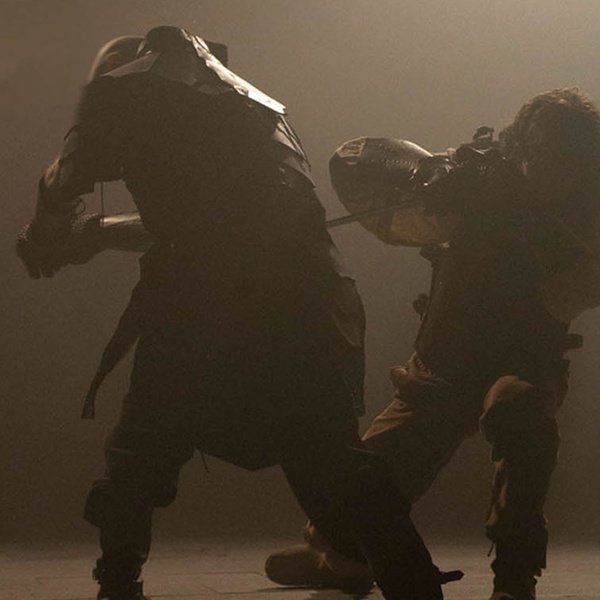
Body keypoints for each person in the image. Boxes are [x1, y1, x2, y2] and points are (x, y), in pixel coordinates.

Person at [16, 26, 451, 600]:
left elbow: (64, 181)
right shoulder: (255, 106)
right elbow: (200, 220)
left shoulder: (124, 88)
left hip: (207, 303)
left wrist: (46, 236)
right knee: (331, 462)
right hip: (310, 297)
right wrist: (96, 232)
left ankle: (117, 584)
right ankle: (414, 585)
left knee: (139, 451)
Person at [265, 89, 600, 600]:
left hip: (524, 362)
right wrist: (437, 181)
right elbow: (364, 171)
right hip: (443, 363)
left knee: (521, 414)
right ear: (523, 147)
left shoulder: (587, 218)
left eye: (564, 160)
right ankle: (338, 556)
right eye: (540, 152)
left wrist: (537, 230)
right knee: (363, 480)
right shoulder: (479, 182)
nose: (548, 169)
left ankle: (514, 579)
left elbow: (564, 296)